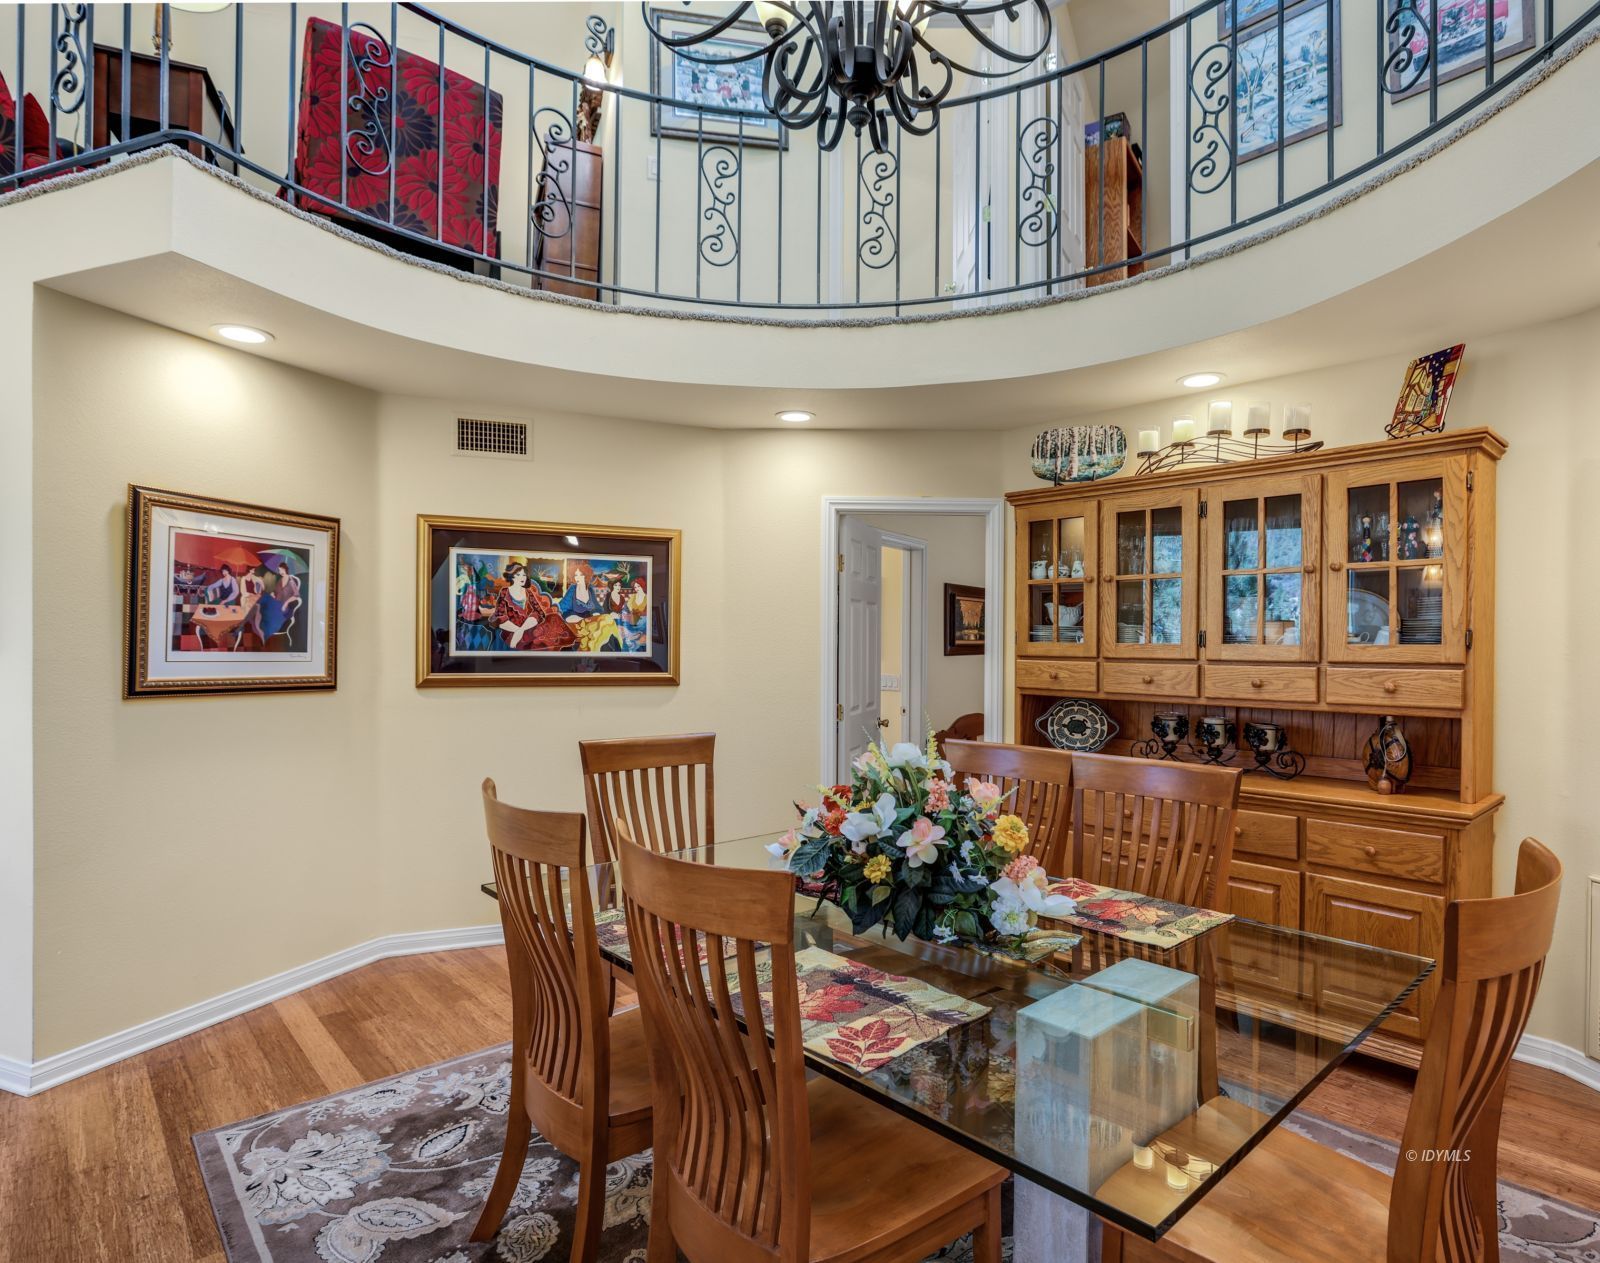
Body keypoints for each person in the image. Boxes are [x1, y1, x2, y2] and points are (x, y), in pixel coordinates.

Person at [493, 561, 575, 651]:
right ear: (511, 576)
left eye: (524, 575)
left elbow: (539, 612)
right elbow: (500, 618)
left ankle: (568, 648)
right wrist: (517, 630)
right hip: (511, 629)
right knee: (543, 637)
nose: (522, 577)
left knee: (554, 617)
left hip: (529, 625)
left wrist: (521, 630)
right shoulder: (505, 592)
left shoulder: (528, 591)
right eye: (518, 575)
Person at [560, 562, 623, 652]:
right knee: (604, 623)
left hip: (590, 622)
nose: (577, 577)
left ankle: (614, 652)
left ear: (586, 575)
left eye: (580, 575)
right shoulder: (572, 589)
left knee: (607, 620)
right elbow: (562, 608)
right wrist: (570, 616)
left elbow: (597, 607)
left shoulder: (590, 590)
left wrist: (596, 613)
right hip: (575, 624)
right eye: (575, 575)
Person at [621, 577, 649, 653]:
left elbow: (648, 613)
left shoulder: (647, 598)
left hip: (643, 622)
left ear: (643, 586)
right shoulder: (633, 596)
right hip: (632, 621)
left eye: (638, 586)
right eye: (635, 587)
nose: (636, 588)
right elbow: (626, 609)